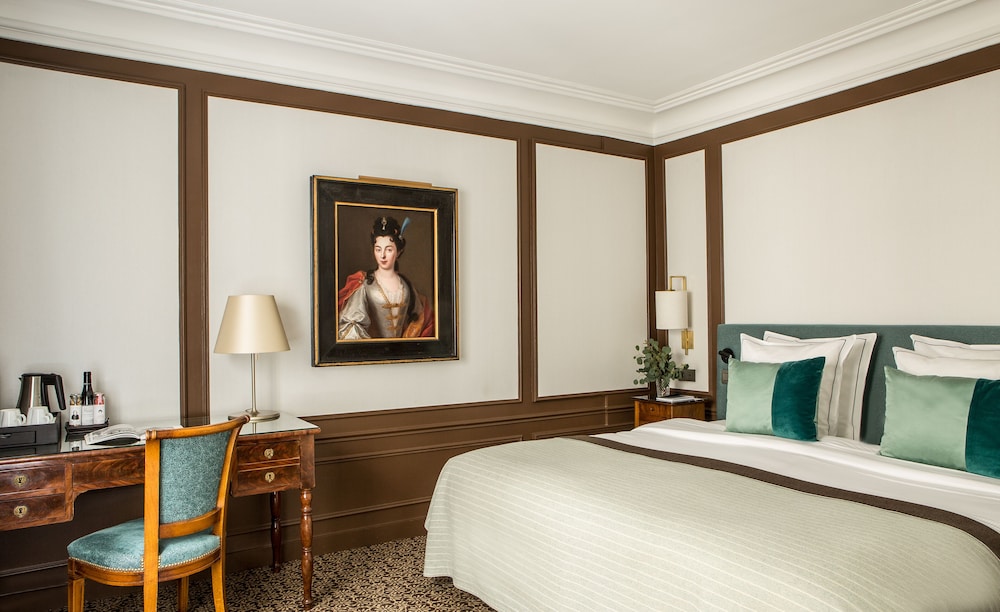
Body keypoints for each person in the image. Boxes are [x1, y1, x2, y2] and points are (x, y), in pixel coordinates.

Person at [337, 215, 435, 340]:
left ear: (398, 252)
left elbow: (421, 318)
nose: (382, 255)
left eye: (388, 250)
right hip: (374, 350)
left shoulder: (406, 285)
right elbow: (352, 326)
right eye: (378, 249)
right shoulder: (365, 284)